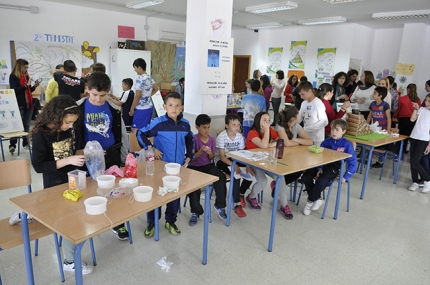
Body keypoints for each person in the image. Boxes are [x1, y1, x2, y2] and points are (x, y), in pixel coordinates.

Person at [29, 96, 93, 274]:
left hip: (73, 181)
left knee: (85, 213)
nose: (70, 126)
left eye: (73, 122)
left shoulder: (68, 130)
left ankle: (74, 246)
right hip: (54, 186)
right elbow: (39, 166)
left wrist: (85, 153)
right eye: (67, 122)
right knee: (69, 221)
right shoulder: (41, 135)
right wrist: (69, 160)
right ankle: (69, 261)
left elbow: (73, 151)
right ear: (55, 117)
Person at [75, 72, 130, 239]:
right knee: (87, 191)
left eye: (103, 95)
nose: (99, 99)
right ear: (87, 89)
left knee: (114, 190)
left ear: (109, 92)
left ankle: (118, 224)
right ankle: (87, 222)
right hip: (86, 157)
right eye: (94, 95)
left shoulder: (113, 109)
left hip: (110, 156)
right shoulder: (77, 108)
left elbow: (122, 135)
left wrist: (123, 158)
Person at [137, 92, 193, 237]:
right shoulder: (158, 122)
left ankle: (171, 220)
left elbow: (190, 140)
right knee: (156, 194)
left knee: (174, 194)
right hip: (159, 167)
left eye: (177, 106)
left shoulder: (185, 124)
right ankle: (152, 222)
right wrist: (151, 148)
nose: (173, 109)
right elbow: (140, 134)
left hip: (177, 167)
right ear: (164, 107)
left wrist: (189, 156)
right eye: (170, 105)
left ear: (182, 107)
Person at [302, 119, 357, 216]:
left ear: (343, 131)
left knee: (321, 180)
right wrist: (319, 167)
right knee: (305, 176)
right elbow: (319, 156)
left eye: (337, 130)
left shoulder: (347, 144)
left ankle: (310, 201)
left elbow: (353, 163)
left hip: (334, 167)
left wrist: (345, 177)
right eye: (332, 129)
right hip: (322, 164)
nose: (334, 132)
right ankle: (318, 198)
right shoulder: (326, 142)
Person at [186, 114, 227, 226]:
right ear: (197, 127)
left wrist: (209, 153)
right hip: (193, 167)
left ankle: (220, 205)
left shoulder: (212, 140)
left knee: (220, 177)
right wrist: (201, 151)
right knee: (194, 187)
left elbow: (211, 158)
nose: (207, 130)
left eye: (208, 127)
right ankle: (196, 211)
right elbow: (191, 157)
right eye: (204, 127)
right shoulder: (193, 139)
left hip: (207, 166)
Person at [215, 113, 253, 218]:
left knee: (251, 173)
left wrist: (248, 165)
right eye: (233, 124)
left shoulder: (240, 137)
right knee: (235, 174)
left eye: (238, 124)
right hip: (222, 160)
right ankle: (237, 204)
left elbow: (242, 154)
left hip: (235, 158)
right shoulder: (221, 137)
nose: (237, 127)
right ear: (227, 125)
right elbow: (222, 157)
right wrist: (234, 165)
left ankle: (240, 193)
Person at [271, 107, 313, 197]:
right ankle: (277, 185)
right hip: (278, 157)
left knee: (297, 172)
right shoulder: (280, 127)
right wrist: (298, 142)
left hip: (291, 155)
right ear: (294, 118)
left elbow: (310, 141)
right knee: (289, 171)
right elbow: (287, 143)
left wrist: (294, 139)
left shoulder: (296, 126)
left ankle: (277, 186)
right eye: (298, 114)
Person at [8, 58, 40, 153]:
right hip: (19, 103)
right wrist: (26, 85)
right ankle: (12, 144)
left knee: (26, 124)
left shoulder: (26, 76)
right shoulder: (13, 76)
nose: (26, 69)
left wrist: (34, 86)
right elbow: (14, 90)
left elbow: (28, 90)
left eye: (27, 67)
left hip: (28, 103)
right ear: (19, 66)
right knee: (16, 124)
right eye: (25, 67)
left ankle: (25, 142)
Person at [129, 58, 159, 133]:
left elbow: (138, 96)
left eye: (135, 68)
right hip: (149, 107)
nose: (135, 70)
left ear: (139, 67)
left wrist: (132, 108)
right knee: (146, 129)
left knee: (135, 130)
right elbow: (156, 88)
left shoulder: (140, 79)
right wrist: (147, 96)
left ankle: (137, 145)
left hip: (141, 108)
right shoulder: (149, 77)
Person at [408, 94, 430, 192]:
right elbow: (412, 119)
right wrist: (416, 109)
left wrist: (429, 145)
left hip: (424, 139)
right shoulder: (421, 109)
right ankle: (415, 181)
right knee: (412, 160)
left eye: (429, 101)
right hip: (414, 137)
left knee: (415, 161)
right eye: (426, 101)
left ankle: (427, 180)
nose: (427, 103)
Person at [366, 86, 392, 168]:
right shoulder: (372, 104)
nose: (373, 94)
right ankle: (366, 159)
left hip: (383, 130)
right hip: (375, 129)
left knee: (382, 145)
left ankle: (380, 161)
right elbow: (370, 116)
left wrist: (388, 129)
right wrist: (366, 125)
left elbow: (388, 118)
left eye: (375, 93)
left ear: (380, 96)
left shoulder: (385, 105)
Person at [297, 81, 328, 146]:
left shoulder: (318, 103)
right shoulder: (304, 103)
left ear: (310, 91)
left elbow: (324, 121)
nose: (301, 97)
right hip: (305, 136)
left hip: (316, 138)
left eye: (303, 94)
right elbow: (299, 118)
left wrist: (306, 129)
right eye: (300, 95)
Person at [395, 83, 420, 154]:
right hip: (413, 120)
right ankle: (406, 150)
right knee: (409, 136)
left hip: (403, 119)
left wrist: (397, 116)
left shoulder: (402, 99)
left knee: (401, 136)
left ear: (408, 89)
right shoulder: (418, 100)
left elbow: (398, 109)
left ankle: (398, 152)